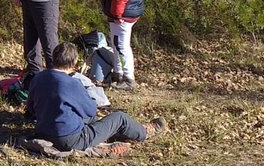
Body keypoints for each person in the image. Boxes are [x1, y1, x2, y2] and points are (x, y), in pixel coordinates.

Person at [26, 42, 166, 152]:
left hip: (42, 131)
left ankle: (110, 134)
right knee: (119, 117)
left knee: (91, 120)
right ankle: (144, 132)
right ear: (74, 63)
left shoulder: (38, 78)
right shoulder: (72, 83)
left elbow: (31, 109)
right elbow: (91, 109)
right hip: (70, 139)